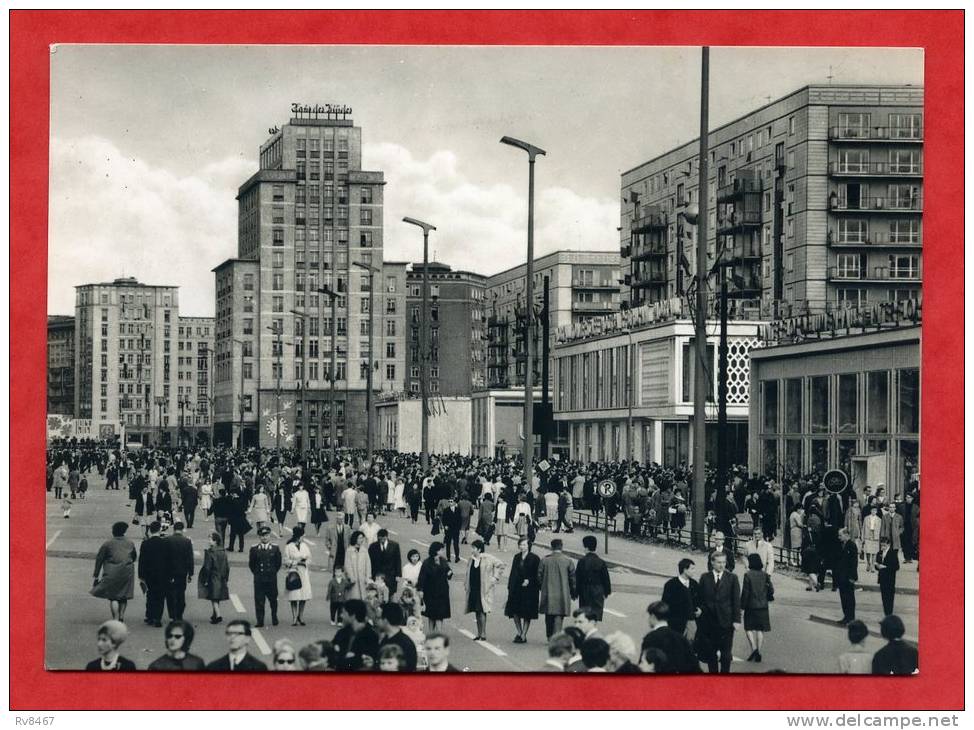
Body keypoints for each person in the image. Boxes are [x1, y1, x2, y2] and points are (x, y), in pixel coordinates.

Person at [696, 551, 741, 673]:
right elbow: (700, 599)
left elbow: (736, 601)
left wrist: (737, 620)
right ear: (712, 562)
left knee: (726, 654)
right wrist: (700, 611)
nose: (722, 565)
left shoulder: (732, 578)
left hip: (726, 621)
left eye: (724, 562)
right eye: (719, 562)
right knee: (711, 654)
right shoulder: (705, 578)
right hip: (709, 622)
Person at [90, 521, 137, 622]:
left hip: (111, 571)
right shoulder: (130, 543)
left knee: (113, 596)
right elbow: (134, 557)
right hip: (126, 571)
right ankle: (121, 616)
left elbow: (99, 559)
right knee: (124, 596)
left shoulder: (107, 544)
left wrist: (96, 575)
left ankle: (115, 617)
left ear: (113, 532)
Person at [463, 539, 505, 641]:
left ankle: (483, 633)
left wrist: (494, 578)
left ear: (479, 549)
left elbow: (501, 565)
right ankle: (478, 633)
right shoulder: (471, 559)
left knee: (482, 610)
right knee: (476, 611)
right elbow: (468, 573)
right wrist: (466, 584)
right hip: (473, 588)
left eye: (473, 548)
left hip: (484, 588)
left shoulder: (487, 558)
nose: (472, 550)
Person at [642, 601, 699, 673]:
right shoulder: (681, 638)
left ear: (653, 616)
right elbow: (694, 665)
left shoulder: (650, 638)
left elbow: (643, 667)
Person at [505, 536, 541, 643]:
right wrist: (510, 586)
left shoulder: (535, 558)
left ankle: (524, 634)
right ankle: (519, 632)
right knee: (515, 611)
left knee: (527, 612)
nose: (522, 547)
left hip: (530, 589)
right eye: (520, 545)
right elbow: (513, 572)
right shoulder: (516, 557)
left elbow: (537, 574)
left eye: (524, 545)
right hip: (517, 587)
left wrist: (530, 580)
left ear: (529, 545)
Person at [539, 538, 577, 639]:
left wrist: (542, 587)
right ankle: (557, 635)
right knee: (559, 615)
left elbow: (539, 576)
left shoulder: (545, 560)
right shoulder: (568, 561)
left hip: (548, 592)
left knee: (549, 615)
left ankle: (549, 636)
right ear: (561, 547)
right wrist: (573, 593)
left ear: (552, 547)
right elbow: (573, 579)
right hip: (563, 592)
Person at [740, 553, 773, 663]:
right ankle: (758, 650)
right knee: (760, 629)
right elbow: (771, 590)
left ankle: (754, 649)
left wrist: (742, 607)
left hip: (751, 606)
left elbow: (745, 592)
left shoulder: (748, 575)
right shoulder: (765, 575)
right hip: (763, 606)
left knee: (748, 628)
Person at [331, 599, 381, 671]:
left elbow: (366, 661)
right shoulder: (342, 632)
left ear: (353, 616)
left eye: (344, 613)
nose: (341, 616)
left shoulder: (370, 636)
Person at [137, 520, 170, 627]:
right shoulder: (165, 543)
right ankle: (157, 618)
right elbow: (169, 559)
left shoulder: (145, 544)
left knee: (150, 594)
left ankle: (149, 615)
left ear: (150, 530)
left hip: (149, 573)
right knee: (160, 596)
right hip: (163, 573)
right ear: (159, 530)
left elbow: (142, 560)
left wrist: (141, 575)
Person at [249, 525, 282, 627]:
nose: (264, 537)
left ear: (269, 536)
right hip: (259, 579)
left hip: (271, 578)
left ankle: (274, 616)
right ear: (259, 537)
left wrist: (272, 572)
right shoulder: (254, 549)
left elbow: (278, 564)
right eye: (262, 536)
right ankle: (260, 620)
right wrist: (257, 573)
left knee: (273, 599)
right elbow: (252, 564)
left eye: (266, 535)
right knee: (259, 600)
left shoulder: (275, 548)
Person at [417, 541, 453, 633]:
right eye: (441, 550)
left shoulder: (443, 561)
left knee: (440, 615)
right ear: (436, 550)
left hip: (442, 591)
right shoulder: (427, 562)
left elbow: (448, 571)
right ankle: (431, 633)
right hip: (430, 591)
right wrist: (420, 589)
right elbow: (422, 577)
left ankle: (439, 633)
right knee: (432, 615)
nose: (442, 551)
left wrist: (450, 573)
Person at [575, 535, 612, 621]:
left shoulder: (582, 561)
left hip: (585, 589)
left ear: (586, 547)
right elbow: (605, 578)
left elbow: (578, 578)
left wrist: (576, 592)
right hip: (598, 590)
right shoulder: (601, 562)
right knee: (595, 613)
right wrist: (607, 591)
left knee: (584, 613)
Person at [660, 558, 700, 635]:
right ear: (685, 570)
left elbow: (698, 600)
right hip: (675, 623)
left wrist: (699, 609)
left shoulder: (694, 584)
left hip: (691, 622)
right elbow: (665, 604)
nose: (694, 571)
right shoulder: (671, 585)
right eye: (692, 569)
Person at [165, 521, 195, 621]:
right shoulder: (187, 541)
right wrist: (190, 573)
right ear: (182, 530)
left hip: (169, 571)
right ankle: (179, 614)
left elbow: (164, 557)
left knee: (170, 593)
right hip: (182, 571)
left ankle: (172, 614)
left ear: (174, 529)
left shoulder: (167, 540)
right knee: (181, 593)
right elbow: (190, 558)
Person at [198, 531, 230, 624]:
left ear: (215, 541)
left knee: (213, 597)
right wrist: (226, 577)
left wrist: (205, 579)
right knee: (217, 596)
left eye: (210, 539)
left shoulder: (210, 552)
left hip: (213, 576)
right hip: (221, 576)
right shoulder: (223, 551)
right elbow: (227, 566)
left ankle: (218, 615)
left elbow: (207, 567)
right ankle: (214, 614)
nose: (209, 541)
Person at [284, 524, 312, 626]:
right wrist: (295, 562)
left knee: (303, 596)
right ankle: (294, 617)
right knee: (294, 595)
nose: (303, 538)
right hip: (294, 572)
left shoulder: (305, 546)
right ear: (298, 536)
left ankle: (301, 615)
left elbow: (309, 558)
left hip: (303, 572)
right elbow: (286, 560)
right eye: (302, 536)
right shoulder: (289, 546)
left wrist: (305, 562)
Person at [377, 603, 418, 671]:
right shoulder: (384, 640)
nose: (376, 621)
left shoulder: (405, 644)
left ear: (385, 620)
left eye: (378, 618)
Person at [833, 527, 859, 625]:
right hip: (841, 576)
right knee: (843, 597)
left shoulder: (852, 545)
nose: (839, 537)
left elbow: (854, 563)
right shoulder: (840, 545)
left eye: (840, 535)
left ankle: (851, 617)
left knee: (850, 597)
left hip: (849, 576)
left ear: (846, 535)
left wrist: (853, 577)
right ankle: (846, 616)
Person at [368, 528, 403, 595]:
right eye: (380, 538)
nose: (382, 540)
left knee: (391, 593)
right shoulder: (372, 546)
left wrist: (398, 575)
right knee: (378, 594)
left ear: (387, 537)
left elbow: (398, 560)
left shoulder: (395, 545)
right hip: (378, 575)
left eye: (384, 538)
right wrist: (370, 575)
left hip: (391, 574)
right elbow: (370, 561)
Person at [875, 535, 900, 616]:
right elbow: (877, 563)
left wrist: (885, 567)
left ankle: (889, 615)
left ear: (888, 545)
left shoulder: (892, 553)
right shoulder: (879, 553)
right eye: (881, 545)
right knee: (884, 599)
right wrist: (877, 566)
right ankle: (886, 615)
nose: (882, 547)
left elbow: (896, 566)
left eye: (884, 545)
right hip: (882, 579)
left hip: (890, 580)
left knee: (889, 599)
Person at [344, 530, 372, 601]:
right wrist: (351, 577)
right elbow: (347, 565)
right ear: (355, 539)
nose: (361, 540)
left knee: (363, 599)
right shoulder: (349, 550)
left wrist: (368, 576)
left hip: (363, 579)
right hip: (354, 580)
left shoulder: (364, 550)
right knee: (354, 599)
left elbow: (368, 564)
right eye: (359, 538)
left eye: (362, 538)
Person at [862, 505, 882, 573]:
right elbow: (863, 528)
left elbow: (880, 530)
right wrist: (863, 537)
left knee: (874, 551)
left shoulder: (879, 519)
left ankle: (873, 565)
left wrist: (880, 537)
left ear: (876, 511)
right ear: (870, 511)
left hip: (875, 535)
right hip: (868, 534)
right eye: (872, 510)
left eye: (875, 510)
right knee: (868, 551)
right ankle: (868, 563)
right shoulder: (866, 518)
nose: (874, 512)